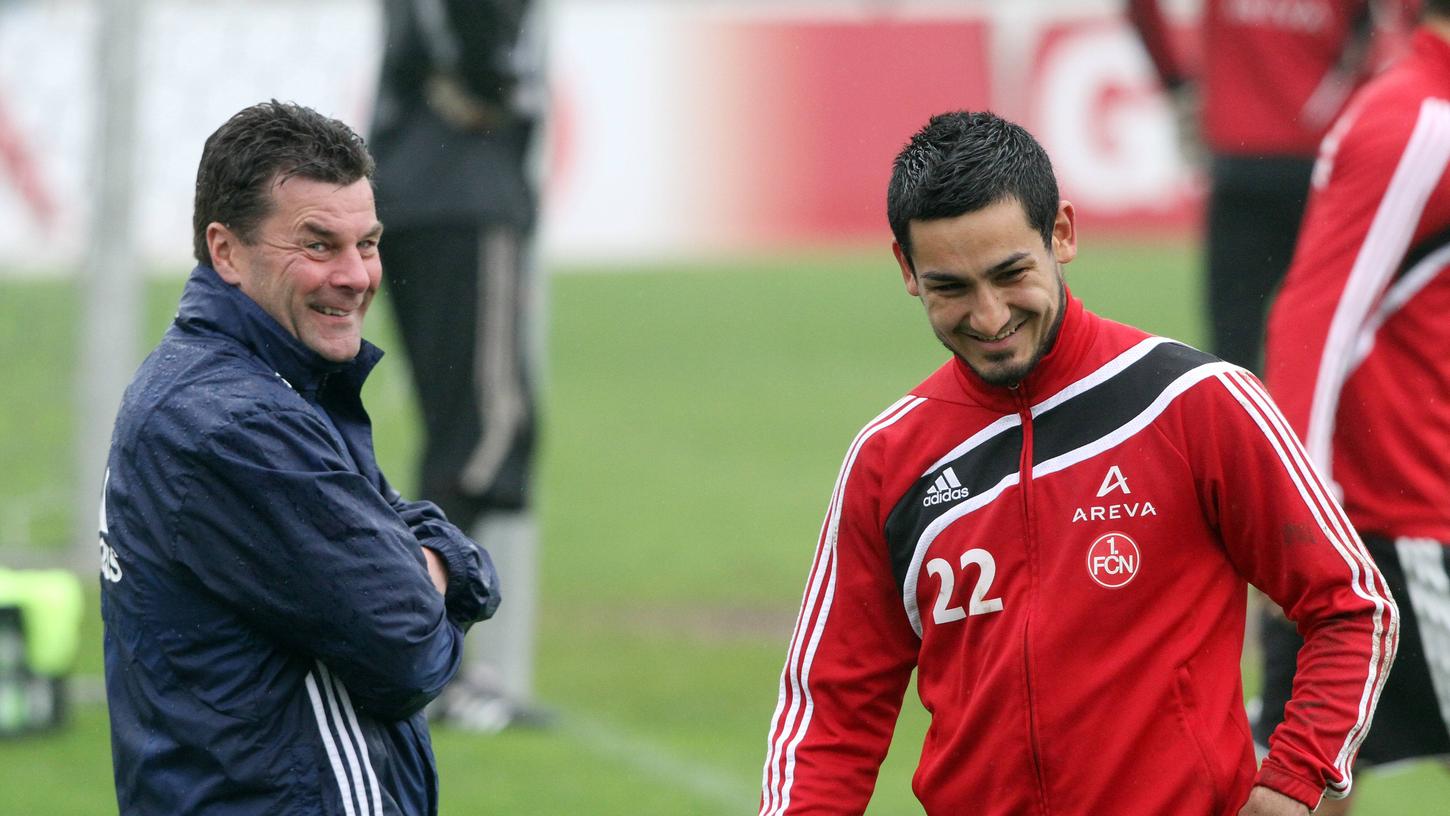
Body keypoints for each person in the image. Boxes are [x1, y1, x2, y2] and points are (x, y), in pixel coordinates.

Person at [757, 111, 1398, 816]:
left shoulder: (1194, 403)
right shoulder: (888, 460)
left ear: (1061, 233)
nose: (990, 316)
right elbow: (831, 711)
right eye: (951, 288)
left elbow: (1352, 606)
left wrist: (1291, 781)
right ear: (907, 271)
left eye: (1010, 274)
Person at [98, 100, 499, 815]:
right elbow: (410, 650)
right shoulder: (237, 423)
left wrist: (417, 558)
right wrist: (445, 565)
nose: (354, 276)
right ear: (226, 251)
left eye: (367, 244)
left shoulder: (255, 383)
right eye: (318, 246)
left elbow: (396, 543)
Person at [1258, 3, 1450, 813]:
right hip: (1402, 525)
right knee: (1296, 785)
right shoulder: (1418, 122)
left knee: (1303, 780)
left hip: (1407, 514)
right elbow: (1314, 317)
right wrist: (1292, 520)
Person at [370, 0, 544, 731]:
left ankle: (430, 656)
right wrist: (489, 87)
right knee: (488, 426)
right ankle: (415, 646)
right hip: (460, 183)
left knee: (460, 426)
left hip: (416, 180)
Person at [1126, 0, 1398, 372]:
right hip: (1323, 167)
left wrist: (1175, 81)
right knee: (1331, 348)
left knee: (1232, 356)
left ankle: (1242, 429)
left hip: (1244, 164)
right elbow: (1394, 27)